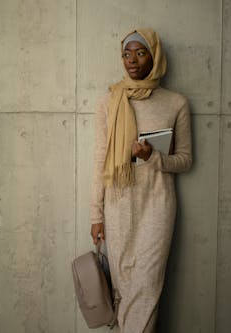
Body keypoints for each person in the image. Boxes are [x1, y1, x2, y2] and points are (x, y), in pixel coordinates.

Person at [89, 28, 192, 332]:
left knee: (146, 289)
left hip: (157, 204)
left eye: (140, 52)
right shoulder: (109, 101)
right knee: (121, 291)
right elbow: (99, 162)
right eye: (126, 53)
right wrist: (96, 214)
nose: (131, 60)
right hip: (118, 204)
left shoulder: (176, 103)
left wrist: (153, 158)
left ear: (155, 55)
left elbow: (185, 160)